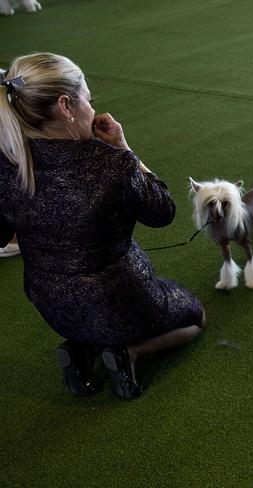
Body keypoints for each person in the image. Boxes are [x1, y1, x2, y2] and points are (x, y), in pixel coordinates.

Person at [0, 53, 206, 399]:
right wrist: (125, 149)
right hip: (122, 299)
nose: (93, 111)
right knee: (195, 317)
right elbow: (163, 212)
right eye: (88, 100)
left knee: (87, 313)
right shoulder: (110, 163)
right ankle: (129, 352)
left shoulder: (6, 163)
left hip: (49, 303)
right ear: (66, 106)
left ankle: (82, 347)